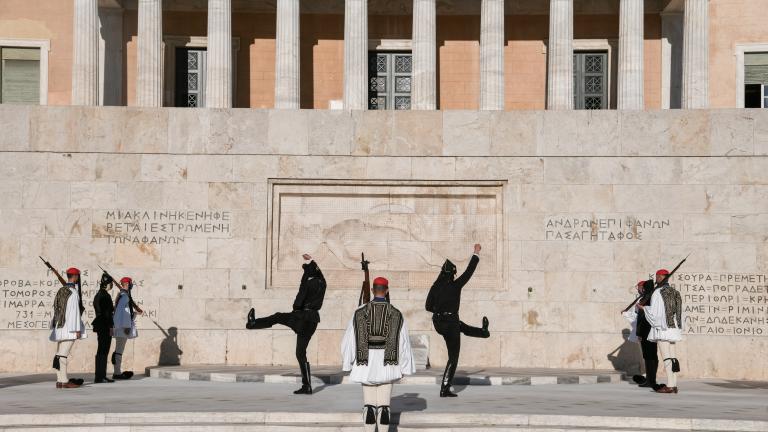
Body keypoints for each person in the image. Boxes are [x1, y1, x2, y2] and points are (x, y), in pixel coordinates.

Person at [341, 276, 415, 432]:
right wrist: (405, 367)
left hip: (365, 364)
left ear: (373, 290)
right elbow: (404, 343)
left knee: (368, 406)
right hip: (388, 365)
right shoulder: (396, 313)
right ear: (387, 291)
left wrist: (348, 362)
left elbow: (349, 340)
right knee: (384, 407)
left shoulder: (359, 312)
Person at [246, 254, 326, 395]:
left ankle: (253, 323)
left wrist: (297, 305)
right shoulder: (323, 283)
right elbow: (319, 272)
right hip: (313, 320)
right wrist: (313, 261)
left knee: (277, 317)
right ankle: (307, 386)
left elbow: (297, 303)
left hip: (301, 318)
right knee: (301, 353)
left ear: (308, 272)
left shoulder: (308, 283)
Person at [425, 243, 489, 397]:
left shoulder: (435, 287)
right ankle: (445, 388)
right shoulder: (455, 286)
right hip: (450, 323)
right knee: (453, 357)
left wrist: (439, 311)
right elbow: (469, 271)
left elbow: (428, 306)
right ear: (452, 274)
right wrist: (476, 253)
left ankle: (483, 332)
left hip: (439, 323)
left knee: (462, 327)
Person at [638, 269, 683, 394]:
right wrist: (678, 328)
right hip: (673, 329)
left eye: (657, 277)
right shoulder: (675, 292)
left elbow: (655, 314)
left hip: (663, 329)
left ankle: (669, 385)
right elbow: (679, 313)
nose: (656, 279)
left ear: (659, 277)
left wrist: (643, 308)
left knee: (667, 357)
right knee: (673, 357)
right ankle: (674, 384)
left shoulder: (658, 292)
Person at [49, 267, 87, 389]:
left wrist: (54, 325)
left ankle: (60, 380)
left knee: (59, 354)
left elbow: (56, 309)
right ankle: (64, 381)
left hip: (59, 327)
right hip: (69, 329)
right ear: (75, 277)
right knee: (63, 355)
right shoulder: (73, 293)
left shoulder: (61, 290)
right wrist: (77, 329)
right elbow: (74, 312)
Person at [112, 276, 142, 380]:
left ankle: (117, 371)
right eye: (131, 283)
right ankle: (116, 372)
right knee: (119, 351)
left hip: (120, 327)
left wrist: (134, 313)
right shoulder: (124, 296)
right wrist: (127, 326)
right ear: (128, 284)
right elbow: (121, 313)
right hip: (122, 328)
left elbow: (124, 311)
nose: (132, 285)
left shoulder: (121, 295)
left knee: (118, 350)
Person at [635, 279, 659, 388]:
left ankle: (651, 380)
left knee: (649, 356)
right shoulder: (649, 297)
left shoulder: (648, 298)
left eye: (643, 287)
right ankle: (651, 379)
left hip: (647, 331)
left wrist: (641, 308)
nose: (641, 289)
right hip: (649, 331)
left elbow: (643, 318)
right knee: (652, 355)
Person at [92, 272, 115, 383]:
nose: (112, 285)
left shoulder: (98, 294)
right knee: (104, 350)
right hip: (105, 325)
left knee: (101, 350)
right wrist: (111, 326)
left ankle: (100, 375)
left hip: (100, 325)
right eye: (111, 283)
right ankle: (101, 376)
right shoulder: (105, 296)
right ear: (106, 284)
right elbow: (107, 313)